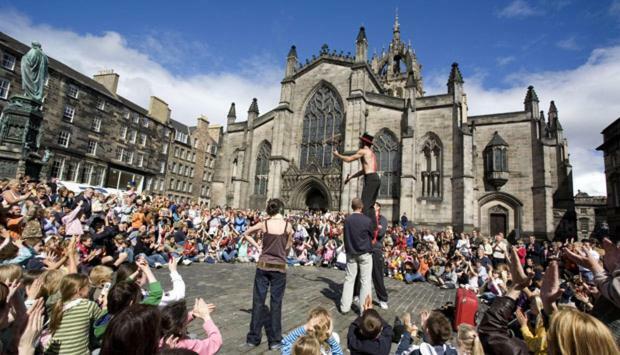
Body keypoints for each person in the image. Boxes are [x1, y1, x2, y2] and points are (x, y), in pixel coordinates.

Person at [242, 198, 294, 351]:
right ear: (281, 209)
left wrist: (257, 245)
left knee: (258, 301)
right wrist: (283, 251)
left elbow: (246, 233)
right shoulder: (287, 226)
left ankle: (253, 338)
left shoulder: (264, 224)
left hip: (263, 265)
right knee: (276, 304)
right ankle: (275, 341)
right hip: (279, 267)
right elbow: (288, 246)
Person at [333, 133, 380, 226]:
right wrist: (351, 177)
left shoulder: (363, 151)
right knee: (370, 205)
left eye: (360, 141)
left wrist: (337, 155)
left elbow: (349, 159)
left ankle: (366, 226)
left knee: (364, 205)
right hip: (375, 178)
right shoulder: (371, 154)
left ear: (363, 142)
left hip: (370, 179)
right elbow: (364, 170)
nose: (359, 143)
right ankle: (374, 227)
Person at [339, 198, 373, 315]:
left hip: (351, 253)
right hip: (364, 253)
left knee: (349, 279)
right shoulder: (367, 220)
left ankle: (344, 307)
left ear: (352, 206)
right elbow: (372, 234)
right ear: (361, 206)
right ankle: (364, 310)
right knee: (365, 281)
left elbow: (345, 236)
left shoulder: (347, 220)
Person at [354, 202, 389, 309]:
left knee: (377, 275)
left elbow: (380, 233)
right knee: (360, 273)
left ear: (378, 208)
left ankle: (382, 299)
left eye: (374, 206)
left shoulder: (382, 219)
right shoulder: (367, 219)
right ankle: (356, 294)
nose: (372, 207)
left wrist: (370, 228)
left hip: (376, 249)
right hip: (365, 248)